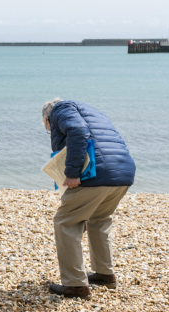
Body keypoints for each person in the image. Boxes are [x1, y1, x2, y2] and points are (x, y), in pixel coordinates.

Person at [42, 98, 135, 300]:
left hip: (97, 173)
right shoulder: (93, 112)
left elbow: (77, 131)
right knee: (99, 219)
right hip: (122, 173)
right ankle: (104, 274)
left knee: (65, 222)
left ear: (47, 119)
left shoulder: (60, 109)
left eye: (47, 128)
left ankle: (75, 285)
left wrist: (73, 172)